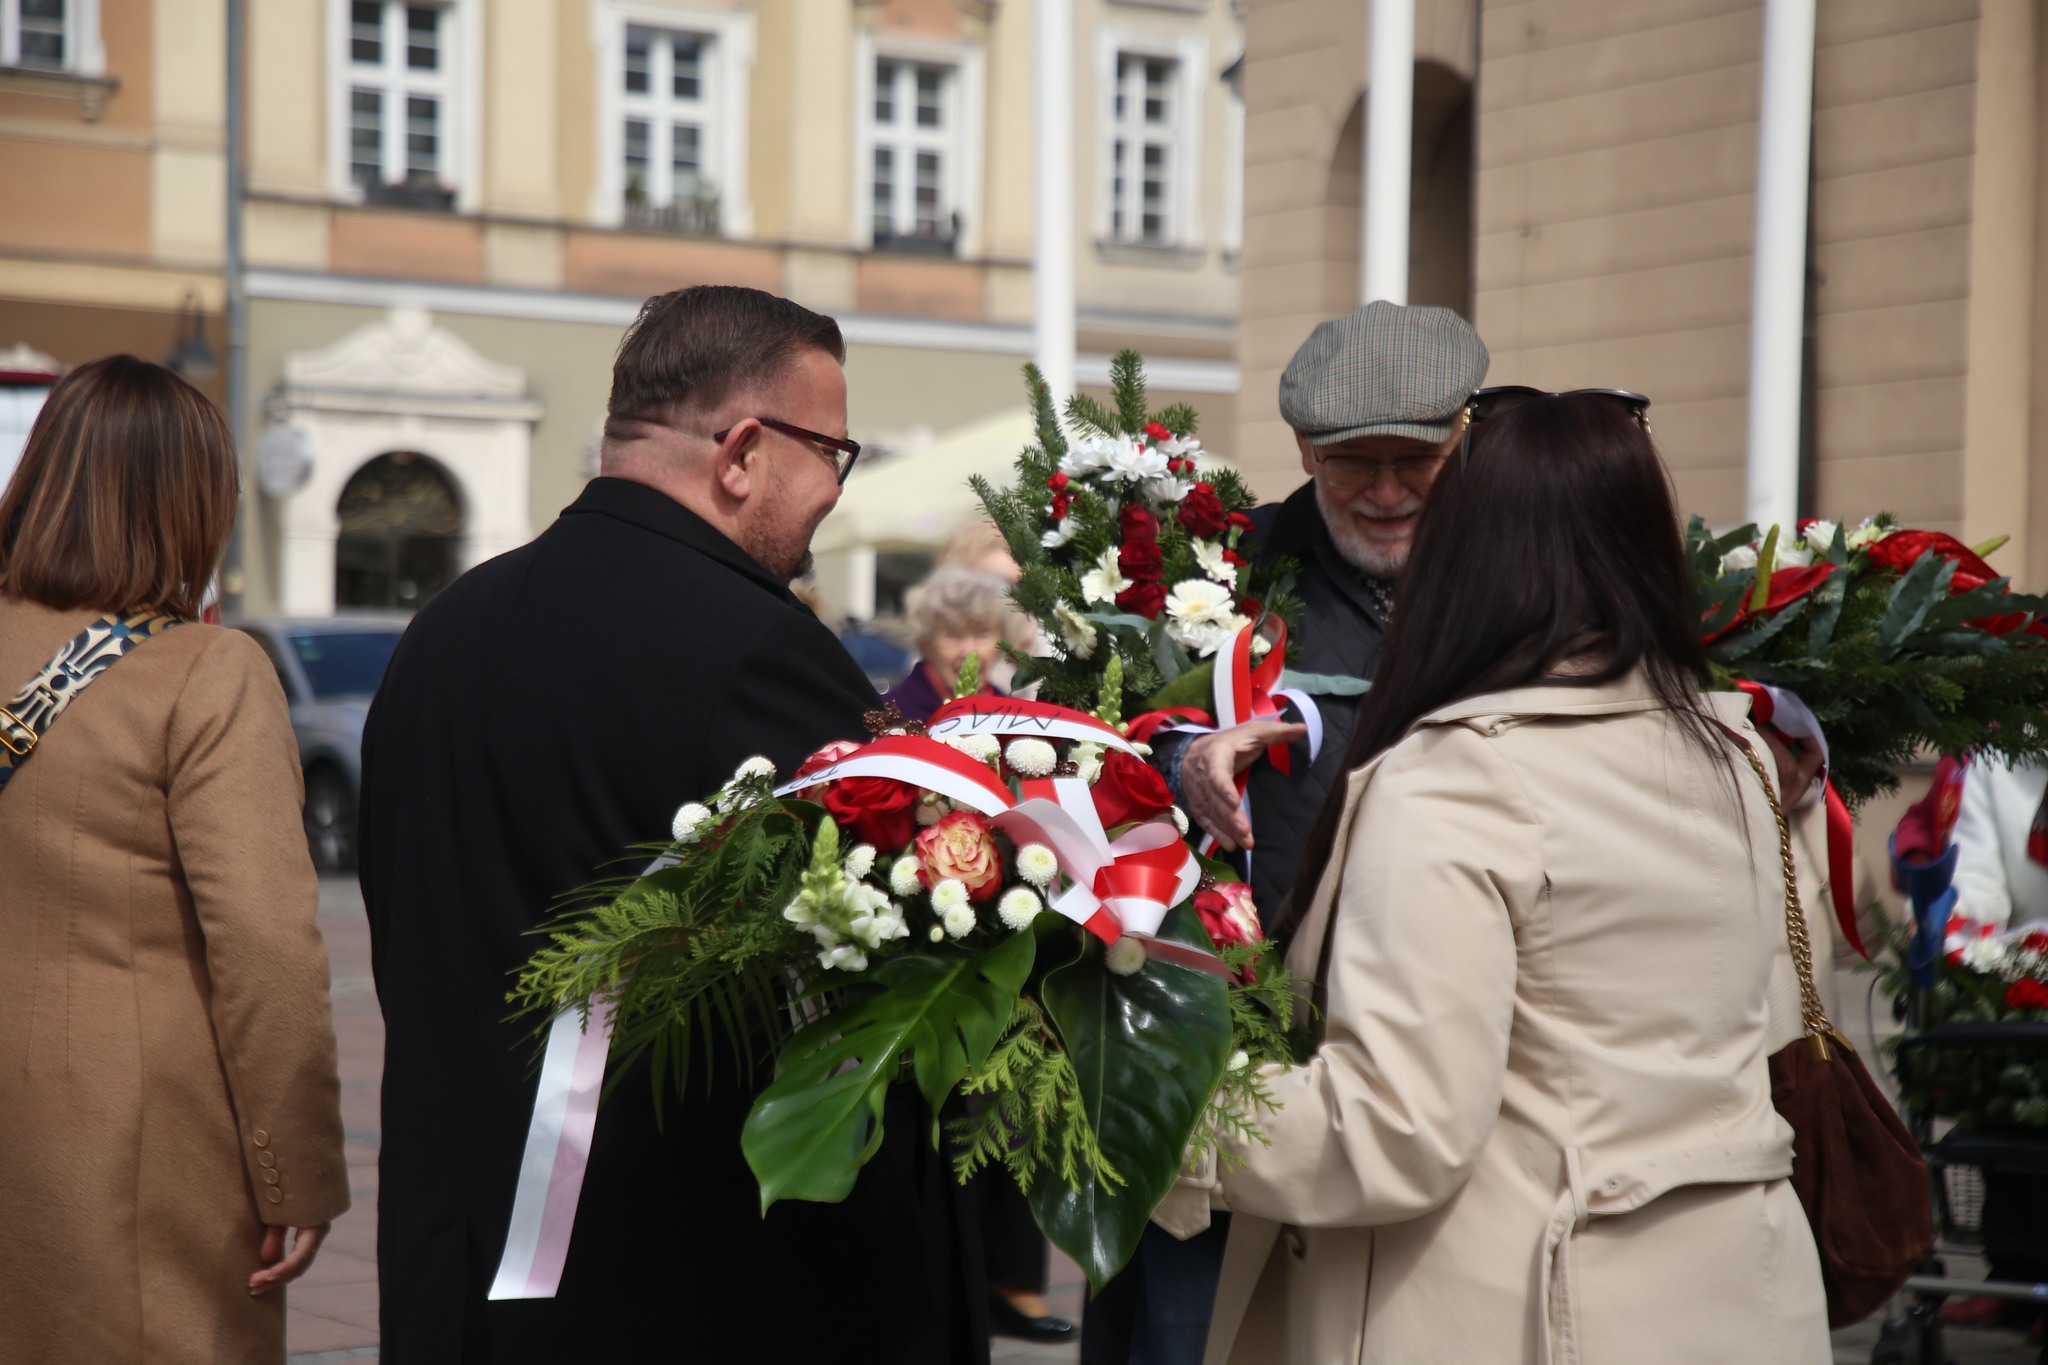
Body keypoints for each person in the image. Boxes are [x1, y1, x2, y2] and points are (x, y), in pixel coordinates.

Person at [358, 286, 985, 1364]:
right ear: (742, 449)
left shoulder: (445, 626)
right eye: (833, 451)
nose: (835, 488)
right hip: (671, 1276)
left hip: (455, 1252)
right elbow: (875, 966)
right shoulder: (756, 648)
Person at [1189, 391, 1829, 1364]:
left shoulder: (1456, 781)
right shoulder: (1744, 758)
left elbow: (1392, 1132)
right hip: (1743, 1295)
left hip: (1514, 1307)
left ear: (1462, 556)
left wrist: (1149, 1108)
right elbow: (1778, 1033)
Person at [1087, 301, 1489, 1365]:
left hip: (1437, 1051)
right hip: (1241, 1054)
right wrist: (1181, 757)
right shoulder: (1220, 568)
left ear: (1460, 443)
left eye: (1417, 459)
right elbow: (1110, 720)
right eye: (1358, 462)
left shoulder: (1508, 576)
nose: (1391, 492)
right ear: (1304, 448)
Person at [0, 356, 350, 1365]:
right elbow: (269, 953)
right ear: (198, 502)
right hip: (134, 1149)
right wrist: (298, 1179)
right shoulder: (205, 672)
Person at [881, 563, 1012, 721]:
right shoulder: (890, 713)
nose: (969, 651)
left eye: (982, 635)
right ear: (927, 644)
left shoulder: (1014, 716)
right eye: (953, 635)